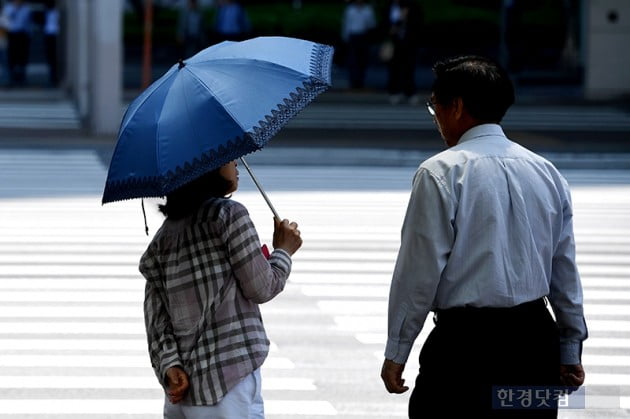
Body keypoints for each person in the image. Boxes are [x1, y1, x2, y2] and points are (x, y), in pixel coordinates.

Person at [380, 55, 587, 418]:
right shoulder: (547, 172)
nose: (437, 119)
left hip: (464, 348)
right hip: (535, 342)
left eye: (436, 108)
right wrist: (569, 347)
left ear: (456, 107)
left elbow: (418, 273)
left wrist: (398, 351)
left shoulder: (440, 172)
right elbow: (563, 269)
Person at [140, 160, 302, 417]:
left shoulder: (162, 240)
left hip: (183, 392)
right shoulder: (229, 215)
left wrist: (170, 365)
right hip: (229, 380)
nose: (236, 161)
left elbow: (156, 320)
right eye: (227, 158)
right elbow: (262, 287)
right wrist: (283, 250)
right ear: (206, 164)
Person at [382, 0, 420, 105]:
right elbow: (384, 22)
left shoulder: (412, 6)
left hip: (409, 42)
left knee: (409, 68)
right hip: (394, 43)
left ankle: (410, 93)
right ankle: (394, 92)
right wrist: (390, 29)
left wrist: (405, 18)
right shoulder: (389, 6)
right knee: (394, 68)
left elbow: (418, 23)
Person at [341, 0, 376, 90]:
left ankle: (360, 82)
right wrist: (345, 38)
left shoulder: (368, 10)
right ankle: (353, 82)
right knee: (353, 60)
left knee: (362, 60)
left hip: (363, 36)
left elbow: (371, 24)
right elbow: (346, 24)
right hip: (353, 37)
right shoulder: (350, 10)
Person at [2, 0, 31, 86]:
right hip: (11, 34)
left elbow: (28, 22)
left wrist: (29, 34)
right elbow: (4, 21)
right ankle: (11, 75)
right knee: (12, 55)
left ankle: (21, 75)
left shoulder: (26, 8)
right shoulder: (8, 8)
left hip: (22, 34)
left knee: (22, 55)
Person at [43, 0, 59, 86]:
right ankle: (52, 75)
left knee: (54, 57)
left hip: (55, 37)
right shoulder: (47, 12)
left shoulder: (56, 12)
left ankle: (54, 76)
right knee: (50, 56)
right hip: (48, 35)